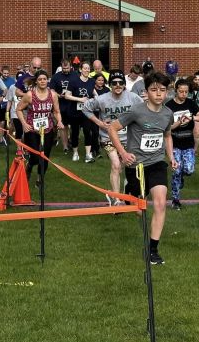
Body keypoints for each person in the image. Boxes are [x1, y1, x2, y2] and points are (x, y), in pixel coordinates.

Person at [109, 72, 177, 265]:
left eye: (162, 90)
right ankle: (127, 195)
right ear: (146, 92)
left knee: (160, 203)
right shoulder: (136, 111)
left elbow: (167, 136)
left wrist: (170, 157)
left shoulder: (167, 114)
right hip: (135, 165)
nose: (159, 94)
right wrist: (122, 153)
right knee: (139, 210)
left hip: (156, 163)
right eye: (154, 90)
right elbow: (112, 128)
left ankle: (153, 250)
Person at [82, 69, 142, 205]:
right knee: (116, 165)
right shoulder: (102, 99)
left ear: (124, 84)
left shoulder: (132, 97)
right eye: (114, 83)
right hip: (108, 137)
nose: (118, 85)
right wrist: (99, 123)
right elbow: (85, 108)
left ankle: (122, 191)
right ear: (110, 85)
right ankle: (117, 199)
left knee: (127, 166)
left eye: (121, 82)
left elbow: (144, 109)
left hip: (129, 138)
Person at [16, 70, 65, 184]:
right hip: (32, 130)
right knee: (35, 156)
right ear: (36, 81)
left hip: (47, 129)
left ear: (47, 80)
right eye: (40, 79)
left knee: (45, 157)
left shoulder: (52, 94)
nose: (42, 81)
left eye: (44, 79)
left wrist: (59, 121)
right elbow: (18, 109)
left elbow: (56, 111)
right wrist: (24, 124)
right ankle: (30, 165)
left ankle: (39, 179)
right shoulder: (30, 95)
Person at [165, 78, 199, 210]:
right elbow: (166, 128)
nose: (183, 94)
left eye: (186, 92)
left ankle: (182, 176)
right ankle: (175, 199)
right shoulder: (169, 106)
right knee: (176, 171)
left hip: (188, 144)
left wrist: (191, 117)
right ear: (176, 91)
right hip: (175, 144)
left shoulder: (190, 103)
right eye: (181, 91)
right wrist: (177, 123)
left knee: (189, 170)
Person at [64, 61, 96, 162]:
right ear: (80, 69)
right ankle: (75, 153)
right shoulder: (74, 81)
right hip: (75, 112)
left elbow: (94, 93)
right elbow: (67, 95)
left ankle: (88, 154)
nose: (87, 70)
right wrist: (80, 99)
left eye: (88, 68)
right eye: (85, 68)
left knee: (87, 131)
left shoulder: (92, 81)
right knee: (75, 132)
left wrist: (96, 100)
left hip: (87, 111)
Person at [50, 59, 78, 153]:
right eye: (64, 68)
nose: (66, 70)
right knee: (63, 125)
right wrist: (59, 95)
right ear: (61, 66)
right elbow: (52, 90)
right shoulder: (56, 77)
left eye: (67, 68)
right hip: (61, 104)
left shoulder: (75, 75)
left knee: (74, 126)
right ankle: (65, 146)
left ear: (70, 66)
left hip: (73, 104)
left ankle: (72, 142)